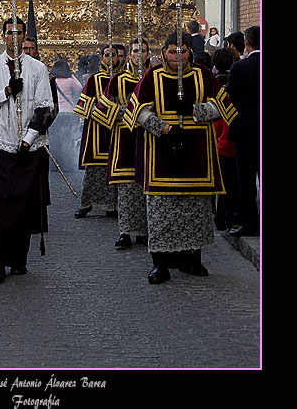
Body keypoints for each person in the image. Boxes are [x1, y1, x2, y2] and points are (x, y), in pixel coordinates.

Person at [123, 31, 237, 284]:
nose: (177, 56)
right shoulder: (153, 77)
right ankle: (160, 264)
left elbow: (224, 106)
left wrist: (195, 111)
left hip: (196, 153)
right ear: (164, 52)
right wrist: (164, 128)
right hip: (162, 152)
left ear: (189, 52)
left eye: (182, 51)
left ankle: (192, 260)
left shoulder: (203, 75)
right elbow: (137, 111)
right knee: (161, 212)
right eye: (172, 51)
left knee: (194, 211)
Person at [0, 17, 53, 282]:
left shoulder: (38, 68)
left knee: (23, 204)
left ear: (24, 35)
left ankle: (19, 258)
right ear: (2, 35)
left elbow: (46, 108)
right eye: (9, 33)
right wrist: (7, 91)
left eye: (19, 33)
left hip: (27, 147)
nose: (14, 38)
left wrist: (28, 140)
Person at [92, 39, 150, 249]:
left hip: (149, 142)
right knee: (126, 190)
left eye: (142, 51)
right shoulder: (118, 81)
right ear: (129, 55)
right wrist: (126, 113)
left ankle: (144, 231)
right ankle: (125, 232)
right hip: (124, 140)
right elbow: (101, 110)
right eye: (135, 51)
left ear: (148, 53)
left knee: (146, 188)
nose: (138, 55)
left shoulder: (154, 78)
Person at [73, 45, 120, 219]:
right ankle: (87, 204)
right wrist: (99, 113)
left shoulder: (122, 79)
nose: (110, 58)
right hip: (96, 131)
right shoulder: (94, 80)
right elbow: (82, 105)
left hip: (117, 131)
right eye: (107, 55)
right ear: (102, 57)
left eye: (113, 55)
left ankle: (112, 205)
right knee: (94, 171)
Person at [225, 25, 260, 238]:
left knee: (246, 180)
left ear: (246, 43)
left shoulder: (240, 67)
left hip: (245, 130)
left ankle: (250, 224)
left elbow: (229, 97)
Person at [211, 47, 240, 232]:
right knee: (233, 184)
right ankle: (229, 218)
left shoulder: (212, 83)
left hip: (220, 138)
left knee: (224, 184)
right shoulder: (235, 82)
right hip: (231, 138)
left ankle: (222, 218)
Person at [48, 58, 83, 174]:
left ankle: (54, 164)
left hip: (55, 113)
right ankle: (68, 164)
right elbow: (79, 88)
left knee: (55, 140)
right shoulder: (69, 80)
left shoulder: (52, 81)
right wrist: (71, 75)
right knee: (67, 139)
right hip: (68, 112)